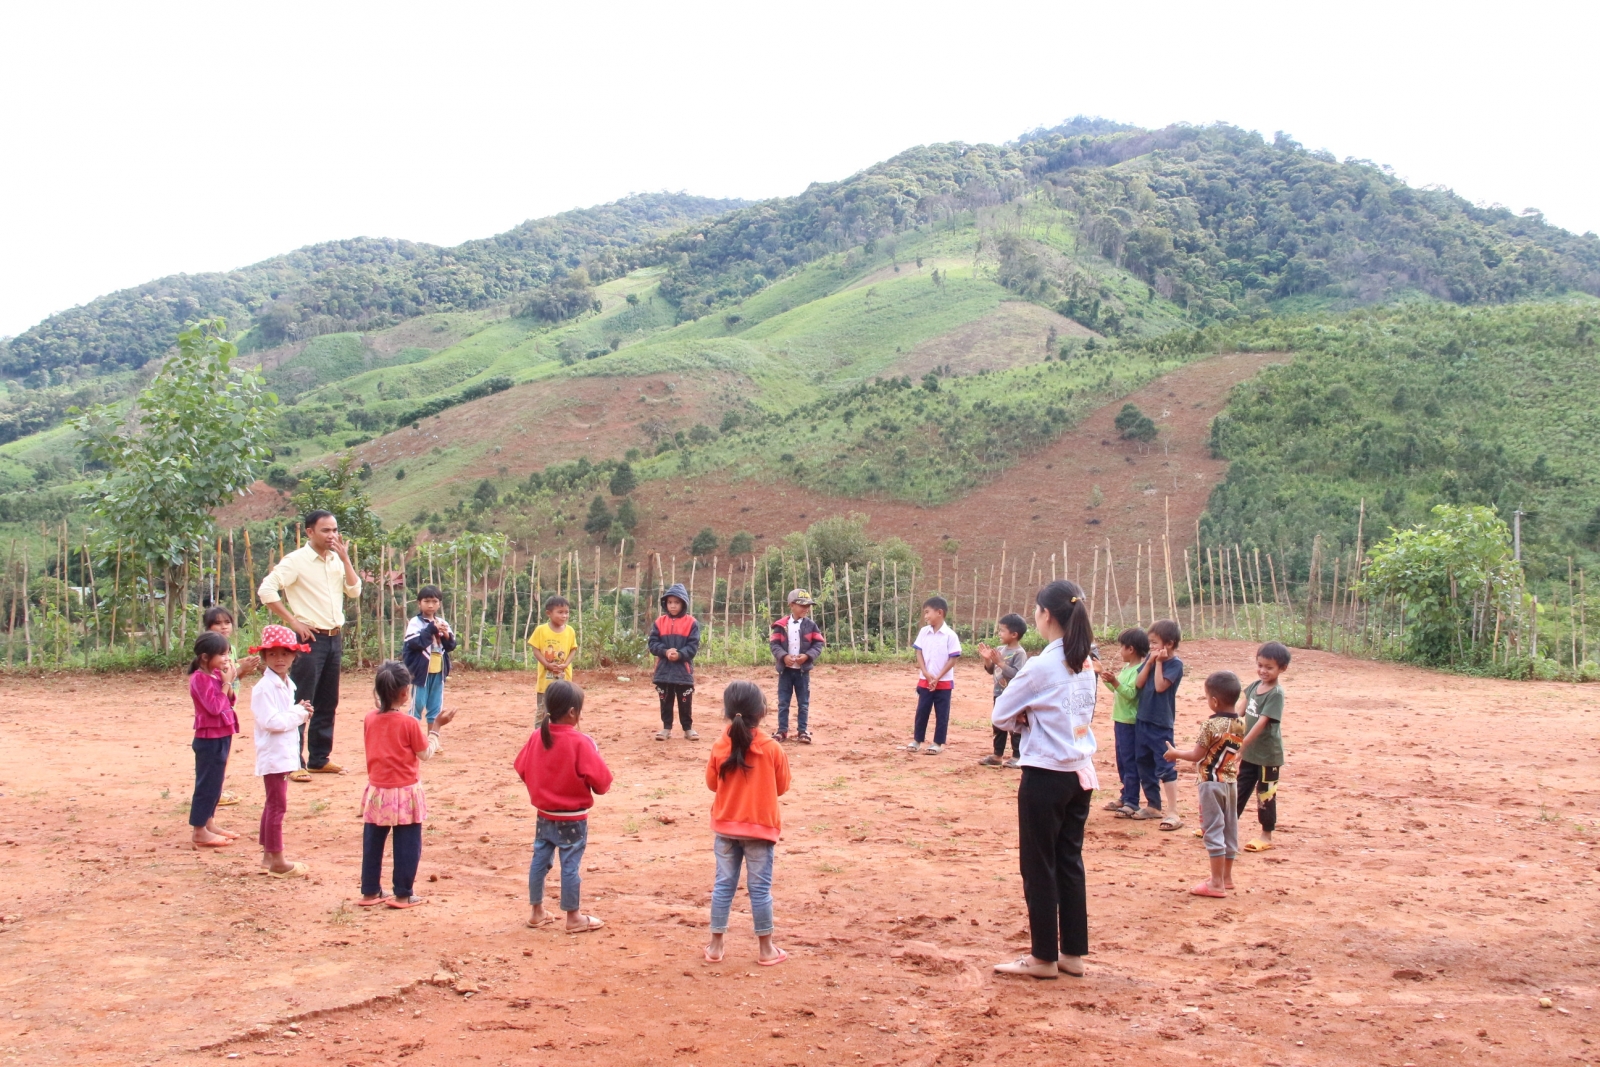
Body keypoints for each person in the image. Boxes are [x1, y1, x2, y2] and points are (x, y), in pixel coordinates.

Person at [990, 580, 1099, 980]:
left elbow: (1000, 714)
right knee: (1069, 862)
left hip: (1045, 775)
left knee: (1039, 866)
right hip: (1079, 774)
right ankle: (1072, 953)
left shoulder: (1042, 665)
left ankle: (1042, 957)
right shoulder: (1085, 662)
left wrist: (1025, 720)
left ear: (1045, 615)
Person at [258, 510, 362, 780]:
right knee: (302, 700)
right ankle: (294, 763)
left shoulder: (336, 560)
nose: (332, 535)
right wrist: (294, 622)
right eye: (326, 530)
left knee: (328, 700)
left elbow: (354, 590)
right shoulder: (296, 561)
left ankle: (319, 758)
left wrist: (346, 558)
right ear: (309, 532)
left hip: (334, 636)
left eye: (335, 530)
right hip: (308, 638)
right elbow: (266, 590)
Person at [514, 680, 612, 933]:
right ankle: (573, 917)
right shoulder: (581, 742)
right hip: (573, 817)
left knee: (540, 860)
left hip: (544, 814)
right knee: (570, 865)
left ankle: (536, 912)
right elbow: (602, 783)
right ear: (572, 712)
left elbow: (521, 767)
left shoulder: (538, 736)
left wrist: (540, 787)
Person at [704, 680, 791, 966]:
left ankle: (715, 946)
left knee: (723, 885)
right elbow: (782, 787)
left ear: (727, 712)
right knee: (760, 890)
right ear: (763, 712)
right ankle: (766, 950)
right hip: (760, 829)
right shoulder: (772, 748)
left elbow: (712, 785)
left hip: (726, 827)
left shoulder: (720, 745)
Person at [359, 660, 455, 908]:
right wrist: (436, 728)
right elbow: (425, 754)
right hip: (404, 791)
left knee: (373, 841)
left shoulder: (370, 719)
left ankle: (370, 891)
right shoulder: (409, 723)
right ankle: (403, 893)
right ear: (404, 694)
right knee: (408, 842)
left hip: (377, 789)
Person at [1165, 671, 1246, 898]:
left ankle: (1216, 883)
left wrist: (1175, 754)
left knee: (1213, 830)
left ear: (1214, 701)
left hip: (1210, 783)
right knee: (1230, 829)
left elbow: (1196, 754)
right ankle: (1226, 878)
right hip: (1230, 784)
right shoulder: (1240, 723)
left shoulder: (1210, 726)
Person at [249, 624, 313, 877]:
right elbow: (272, 722)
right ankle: (277, 859)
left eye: (285, 653)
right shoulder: (264, 688)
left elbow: (283, 716)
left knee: (273, 803)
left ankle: (268, 854)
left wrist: (298, 711)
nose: (280, 659)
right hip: (274, 754)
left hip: (282, 753)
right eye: (273, 654)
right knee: (278, 805)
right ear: (264, 657)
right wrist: (299, 713)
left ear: (294, 656)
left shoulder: (287, 684)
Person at [203, 605, 261, 808]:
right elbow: (220, 677)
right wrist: (240, 668)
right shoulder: (210, 651)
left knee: (223, 750)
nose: (223, 627)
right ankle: (214, 791)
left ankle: (217, 789)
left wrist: (243, 667)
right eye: (217, 623)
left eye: (227, 622)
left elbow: (233, 676)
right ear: (208, 627)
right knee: (216, 752)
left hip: (228, 704)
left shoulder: (230, 649)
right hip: (217, 705)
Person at [187, 632, 240, 849]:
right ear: (205, 658)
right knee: (206, 784)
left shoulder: (215, 676)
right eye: (222, 655)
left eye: (227, 654)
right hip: (209, 738)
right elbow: (215, 707)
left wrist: (229, 681)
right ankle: (199, 830)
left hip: (222, 734)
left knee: (216, 783)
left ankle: (209, 822)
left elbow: (230, 701)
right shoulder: (199, 679)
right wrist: (226, 684)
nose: (227, 658)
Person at [1131, 619, 1185, 830]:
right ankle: (1153, 805)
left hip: (1160, 723)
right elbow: (1139, 683)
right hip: (1143, 719)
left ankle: (1173, 811)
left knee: (1165, 766)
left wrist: (1159, 663)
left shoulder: (1175, 664)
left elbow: (1161, 686)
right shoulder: (1149, 660)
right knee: (1143, 762)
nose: (1151, 647)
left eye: (1155, 642)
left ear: (1169, 644)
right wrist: (1151, 662)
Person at [1237, 641, 1290, 853]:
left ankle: (1266, 835)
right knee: (1240, 788)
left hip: (1268, 755)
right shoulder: (1253, 686)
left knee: (1265, 793)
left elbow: (1262, 722)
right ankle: (1224, 826)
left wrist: (1241, 745)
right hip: (1250, 752)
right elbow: (1239, 712)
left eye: (1269, 667)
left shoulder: (1275, 693)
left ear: (1282, 669)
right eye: (1260, 665)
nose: (1263, 670)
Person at [1099, 627, 1148, 816]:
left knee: (1129, 762)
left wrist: (1115, 681)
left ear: (1131, 649)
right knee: (1122, 760)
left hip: (1129, 722)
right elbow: (1117, 691)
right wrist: (1106, 677)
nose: (1120, 651)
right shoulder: (1128, 669)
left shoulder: (1138, 671)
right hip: (1120, 720)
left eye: (1122, 647)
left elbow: (1129, 694)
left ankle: (1132, 801)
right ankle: (1125, 795)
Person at [906, 596, 962, 755]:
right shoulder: (924, 632)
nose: (925, 616)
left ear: (940, 612)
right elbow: (919, 652)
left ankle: (938, 743)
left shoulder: (950, 635)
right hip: (925, 681)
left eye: (927, 612)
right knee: (922, 711)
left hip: (943, 683)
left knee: (942, 713)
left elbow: (953, 659)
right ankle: (917, 740)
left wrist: (938, 677)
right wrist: (925, 672)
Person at [769, 588, 824, 743]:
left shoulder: (811, 626)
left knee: (803, 702)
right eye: (802, 605)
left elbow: (818, 644)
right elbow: (774, 644)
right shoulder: (780, 626)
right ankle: (782, 731)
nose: (806, 609)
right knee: (783, 702)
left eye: (808, 606)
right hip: (785, 671)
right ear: (791, 605)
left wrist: (807, 656)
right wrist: (783, 656)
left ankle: (802, 731)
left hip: (802, 672)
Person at [976, 613, 1029, 767]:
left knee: (1015, 726)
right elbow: (990, 670)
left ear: (1014, 634)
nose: (999, 633)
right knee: (998, 724)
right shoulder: (1000, 649)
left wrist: (1000, 662)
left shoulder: (1020, 653)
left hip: (1014, 695)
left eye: (1002, 630)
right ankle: (997, 755)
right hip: (999, 693)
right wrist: (987, 659)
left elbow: (1017, 674)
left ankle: (1017, 756)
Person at [649, 583, 701, 741]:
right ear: (665, 603)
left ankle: (688, 728)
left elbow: (693, 647)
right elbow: (652, 644)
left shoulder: (691, 623)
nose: (673, 605)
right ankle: (666, 728)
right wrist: (665, 652)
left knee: (685, 700)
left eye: (676, 602)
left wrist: (679, 655)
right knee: (665, 700)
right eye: (670, 602)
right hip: (663, 670)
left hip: (683, 671)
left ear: (683, 603)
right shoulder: (659, 622)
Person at [402, 585, 456, 728]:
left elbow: (451, 646)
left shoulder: (442, 623)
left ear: (439, 603)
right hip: (420, 672)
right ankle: (414, 739)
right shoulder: (415, 622)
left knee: (435, 706)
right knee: (417, 705)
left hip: (438, 671)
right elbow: (415, 643)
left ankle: (433, 739)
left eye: (434, 601)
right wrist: (432, 629)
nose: (431, 605)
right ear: (419, 603)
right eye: (426, 601)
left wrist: (445, 635)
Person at [527, 595, 577, 727]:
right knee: (543, 712)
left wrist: (566, 664)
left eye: (566, 612)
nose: (564, 616)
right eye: (560, 612)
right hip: (545, 682)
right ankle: (540, 737)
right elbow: (535, 649)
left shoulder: (570, 631)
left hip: (564, 680)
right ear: (548, 613)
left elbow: (573, 649)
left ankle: (560, 735)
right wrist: (547, 665)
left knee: (564, 710)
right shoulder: (541, 630)